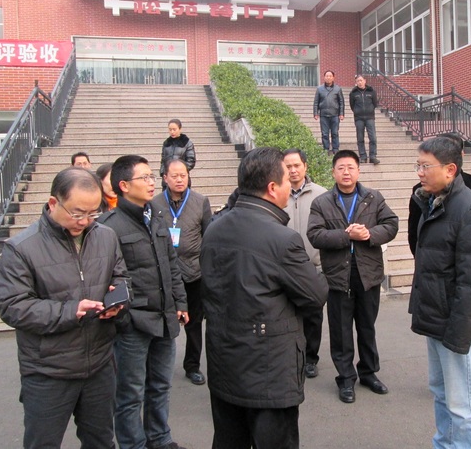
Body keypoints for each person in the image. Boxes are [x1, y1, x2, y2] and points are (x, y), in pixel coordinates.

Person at [201, 147, 328, 449]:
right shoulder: (281, 238)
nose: (290, 185)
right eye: (286, 180)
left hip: (224, 360)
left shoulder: (215, 228)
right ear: (272, 188)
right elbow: (315, 295)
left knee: (229, 439)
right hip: (268, 369)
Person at [0, 167, 129, 449]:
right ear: (53, 203)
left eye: (93, 213)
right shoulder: (21, 248)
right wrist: (71, 311)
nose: (85, 221)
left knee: (101, 441)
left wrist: (117, 300)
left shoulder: (105, 236)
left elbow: (121, 276)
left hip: (99, 364)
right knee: (43, 443)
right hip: (47, 371)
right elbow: (12, 306)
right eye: (77, 213)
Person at [407, 132, 471, 415]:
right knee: (443, 392)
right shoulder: (426, 196)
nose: (420, 172)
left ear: (452, 166)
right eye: (418, 165)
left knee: (463, 401)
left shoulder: (470, 202)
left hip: (458, 305)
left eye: (425, 166)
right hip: (437, 303)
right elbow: (417, 236)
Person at [98, 155, 188, 449]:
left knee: (160, 386)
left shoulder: (156, 215)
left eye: (152, 176)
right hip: (133, 323)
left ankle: (160, 438)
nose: (152, 182)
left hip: (164, 318)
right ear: (124, 185)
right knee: (130, 394)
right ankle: (133, 444)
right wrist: (124, 317)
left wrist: (180, 302)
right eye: (144, 177)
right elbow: (106, 278)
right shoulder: (108, 227)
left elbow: (171, 264)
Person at [307, 149, 399, 404]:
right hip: (338, 276)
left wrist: (368, 234)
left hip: (368, 274)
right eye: (341, 168)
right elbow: (315, 234)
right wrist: (346, 235)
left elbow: (391, 224)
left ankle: (369, 373)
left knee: (367, 327)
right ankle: (346, 378)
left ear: (358, 171)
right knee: (341, 331)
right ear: (333, 172)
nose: (346, 172)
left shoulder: (373, 197)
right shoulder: (322, 202)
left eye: (350, 167)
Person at [151, 159, 212, 386]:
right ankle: (159, 366)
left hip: (194, 273)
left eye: (183, 175)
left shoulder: (200, 201)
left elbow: (208, 236)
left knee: (194, 323)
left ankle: (192, 366)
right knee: (164, 321)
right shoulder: (154, 204)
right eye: (175, 176)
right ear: (165, 178)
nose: (179, 179)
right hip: (165, 274)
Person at [282, 148, 328, 378]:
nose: (292, 170)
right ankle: (289, 357)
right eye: (288, 166)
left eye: (296, 165)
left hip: (314, 268)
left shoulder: (321, 195)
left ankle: (310, 358)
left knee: (313, 317)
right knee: (286, 315)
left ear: (305, 166)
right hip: (285, 268)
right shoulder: (277, 194)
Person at [349, 75, 380, 164]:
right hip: (359, 118)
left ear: (365, 81)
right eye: (358, 81)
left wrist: (369, 110)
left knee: (373, 138)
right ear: (356, 82)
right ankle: (363, 156)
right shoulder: (353, 93)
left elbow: (375, 103)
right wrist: (357, 111)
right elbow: (352, 105)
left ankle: (373, 156)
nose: (360, 82)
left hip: (370, 118)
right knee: (360, 138)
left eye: (361, 80)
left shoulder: (371, 91)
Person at [313, 70, 345, 155]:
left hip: (335, 115)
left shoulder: (337, 89)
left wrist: (341, 113)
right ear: (324, 77)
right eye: (327, 76)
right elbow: (316, 102)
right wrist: (315, 113)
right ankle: (326, 148)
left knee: (335, 133)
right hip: (324, 115)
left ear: (333, 77)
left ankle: (335, 148)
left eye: (330, 76)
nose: (328, 77)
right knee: (324, 133)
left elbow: (341, 102)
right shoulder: (319, 89)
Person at [160, 119, 196, 188]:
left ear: (180, 129)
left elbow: (191, 161)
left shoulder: (187, 143)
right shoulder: (166, 143)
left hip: (181, 179)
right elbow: (163, 160)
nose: (172, 132)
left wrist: (179, 171)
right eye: (170, 129)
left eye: (174, 129)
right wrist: (163, 172)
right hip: (167, 180)